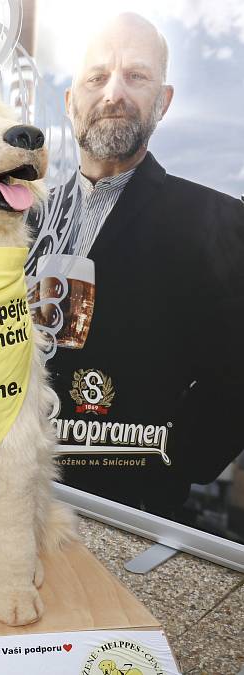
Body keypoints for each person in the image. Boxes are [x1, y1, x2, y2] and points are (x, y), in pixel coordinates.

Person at [36, 13, 244, 519]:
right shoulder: (23, 221)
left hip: (132, 513)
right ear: (70, 102)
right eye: (96, 76)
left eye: (136, 76)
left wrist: (169, 465)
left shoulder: (219, 221)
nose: (114, 93)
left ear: (163, 101)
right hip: (12, 500)